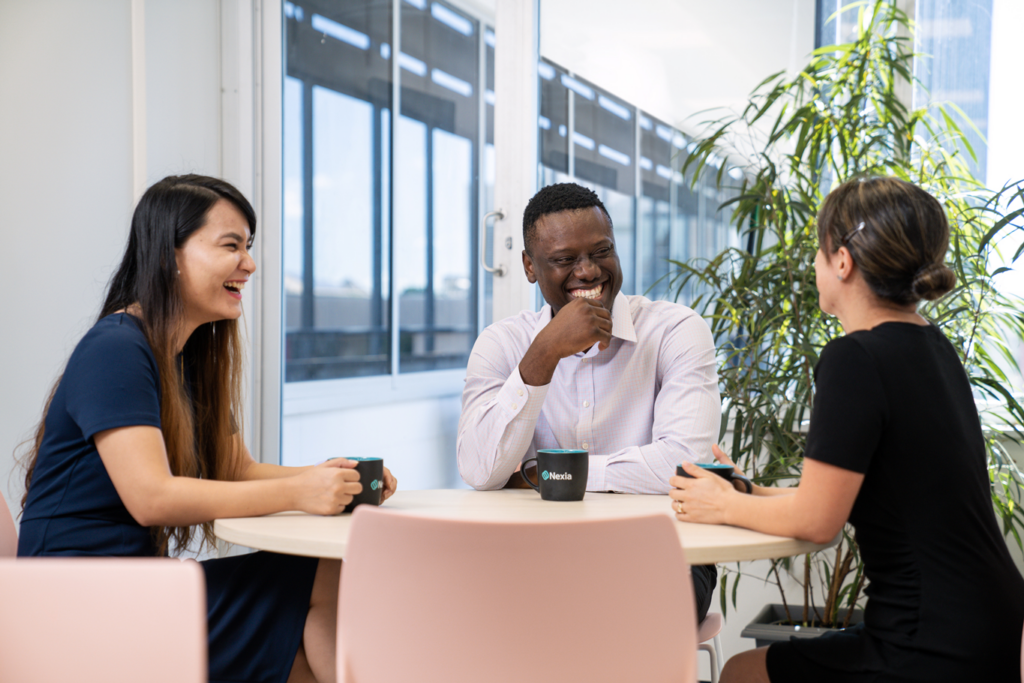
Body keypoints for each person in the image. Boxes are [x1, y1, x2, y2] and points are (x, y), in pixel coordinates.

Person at [18, 174, 397, 683]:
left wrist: (333, 478)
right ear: (168, 256)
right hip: (77, 604)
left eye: (249, 246)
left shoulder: (184, 356)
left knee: (318, 602)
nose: (250, 263)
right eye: (231, 245)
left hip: (137, 588)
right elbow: (151, 497)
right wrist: (300, 492)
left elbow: (235, 468)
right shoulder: (116, 349)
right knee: (317, 592)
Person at [671, 176, 1024, 682]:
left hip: (929, 643)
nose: (814, 264)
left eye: (818, 250)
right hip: (987, 624)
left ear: (842, 260)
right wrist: (748, 490)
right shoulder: (932, 347)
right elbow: (837, 498)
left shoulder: (854, 357)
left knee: (742, 674)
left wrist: (724, 505)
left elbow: (818, 523)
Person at [457, 182, 722, 621]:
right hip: (533, 553)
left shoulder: (675, 331)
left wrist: (548, 474)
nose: (588, 272)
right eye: (564, 260)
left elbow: (684, 462)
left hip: (661, 553)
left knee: (595, 618)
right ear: (529, 266)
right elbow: (480, 470)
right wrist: (542, 356)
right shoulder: (502, 344)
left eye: (601, 252)